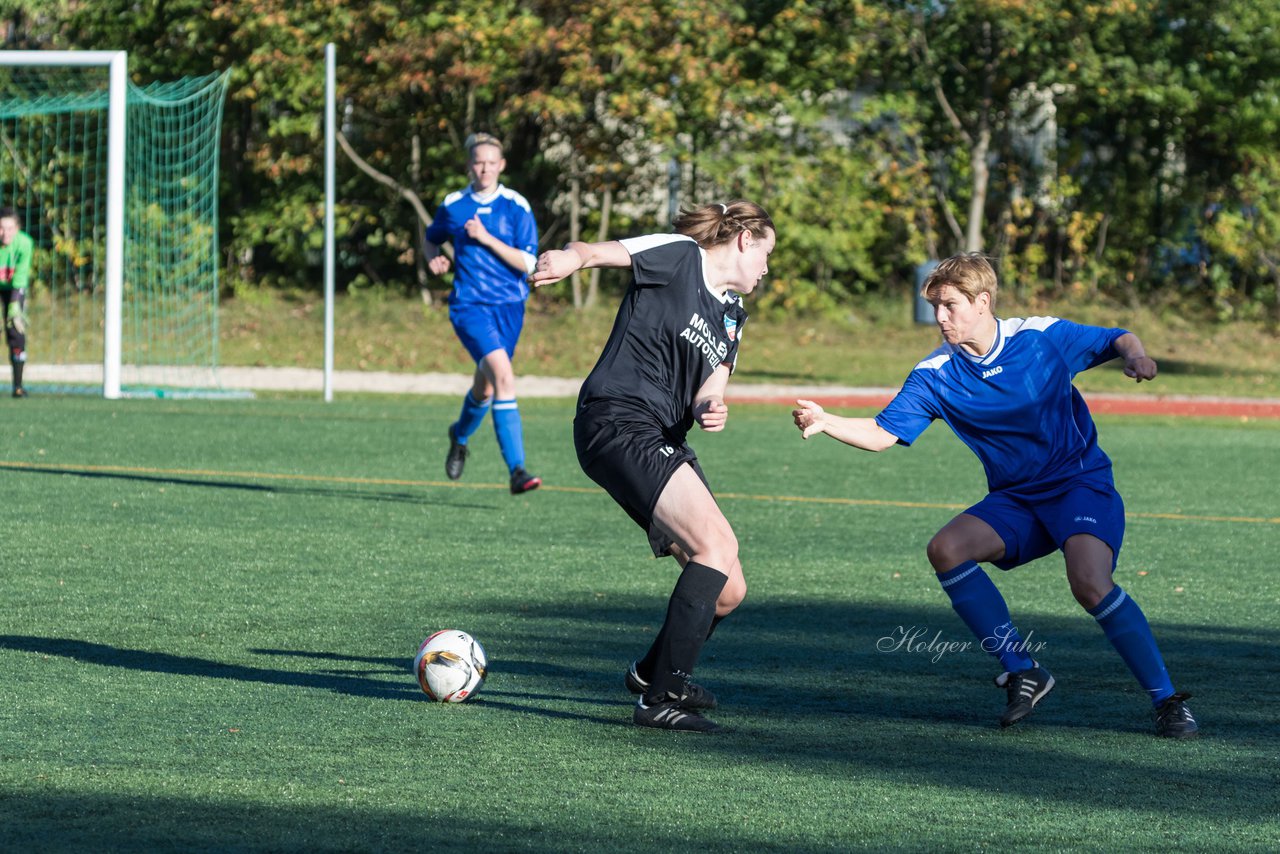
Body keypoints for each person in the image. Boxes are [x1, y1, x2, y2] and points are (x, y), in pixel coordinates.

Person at [792, 253, 1199, 739]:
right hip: (1017, 499)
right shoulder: (936, 373)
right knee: (946, 548)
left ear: (983, 302)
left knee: (1089, 582)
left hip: (1078, 484)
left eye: (949, 306)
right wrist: (826, 421)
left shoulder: (1040, 337)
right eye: (935, 307)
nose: (939, 318)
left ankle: (1166, 701)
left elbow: (1117, 336)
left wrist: (1135, 356)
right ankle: (1023, 669)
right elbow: (883, 433)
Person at [528, 201, 776, 733]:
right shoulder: (681, 255)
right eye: (766, 253)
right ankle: (661, 700)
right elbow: (595, 252)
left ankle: (650, 673)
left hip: (661, 435)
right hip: (616, 418)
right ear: (744, 239)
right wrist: (571, 260)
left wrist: (711, 408)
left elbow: (711, 389)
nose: (767, 268)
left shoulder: (734, 316)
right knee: (717, 547)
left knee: (729, 589)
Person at [424, 132, 542, 494]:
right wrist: (434, 258)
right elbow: (431, 236)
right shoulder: (454, 204)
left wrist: (487, 237)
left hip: (509, 306)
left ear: (501, 165)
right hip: (469, 306)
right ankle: (517, 470)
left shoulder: (516, 206)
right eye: (478, 162)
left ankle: (459, 435)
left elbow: (529, 261)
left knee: (486, 384)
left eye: (492, 162)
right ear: (469, 165)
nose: (485, 168)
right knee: (504, 376)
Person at [0, 207, 33, 398]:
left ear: (17, 228)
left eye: (10, 228)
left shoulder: (25, 243)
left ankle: (18, 386)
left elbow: (20, 276)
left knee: (15, 330)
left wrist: (14, 305)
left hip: (13, 287)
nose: (5, 233)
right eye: (1, 228)